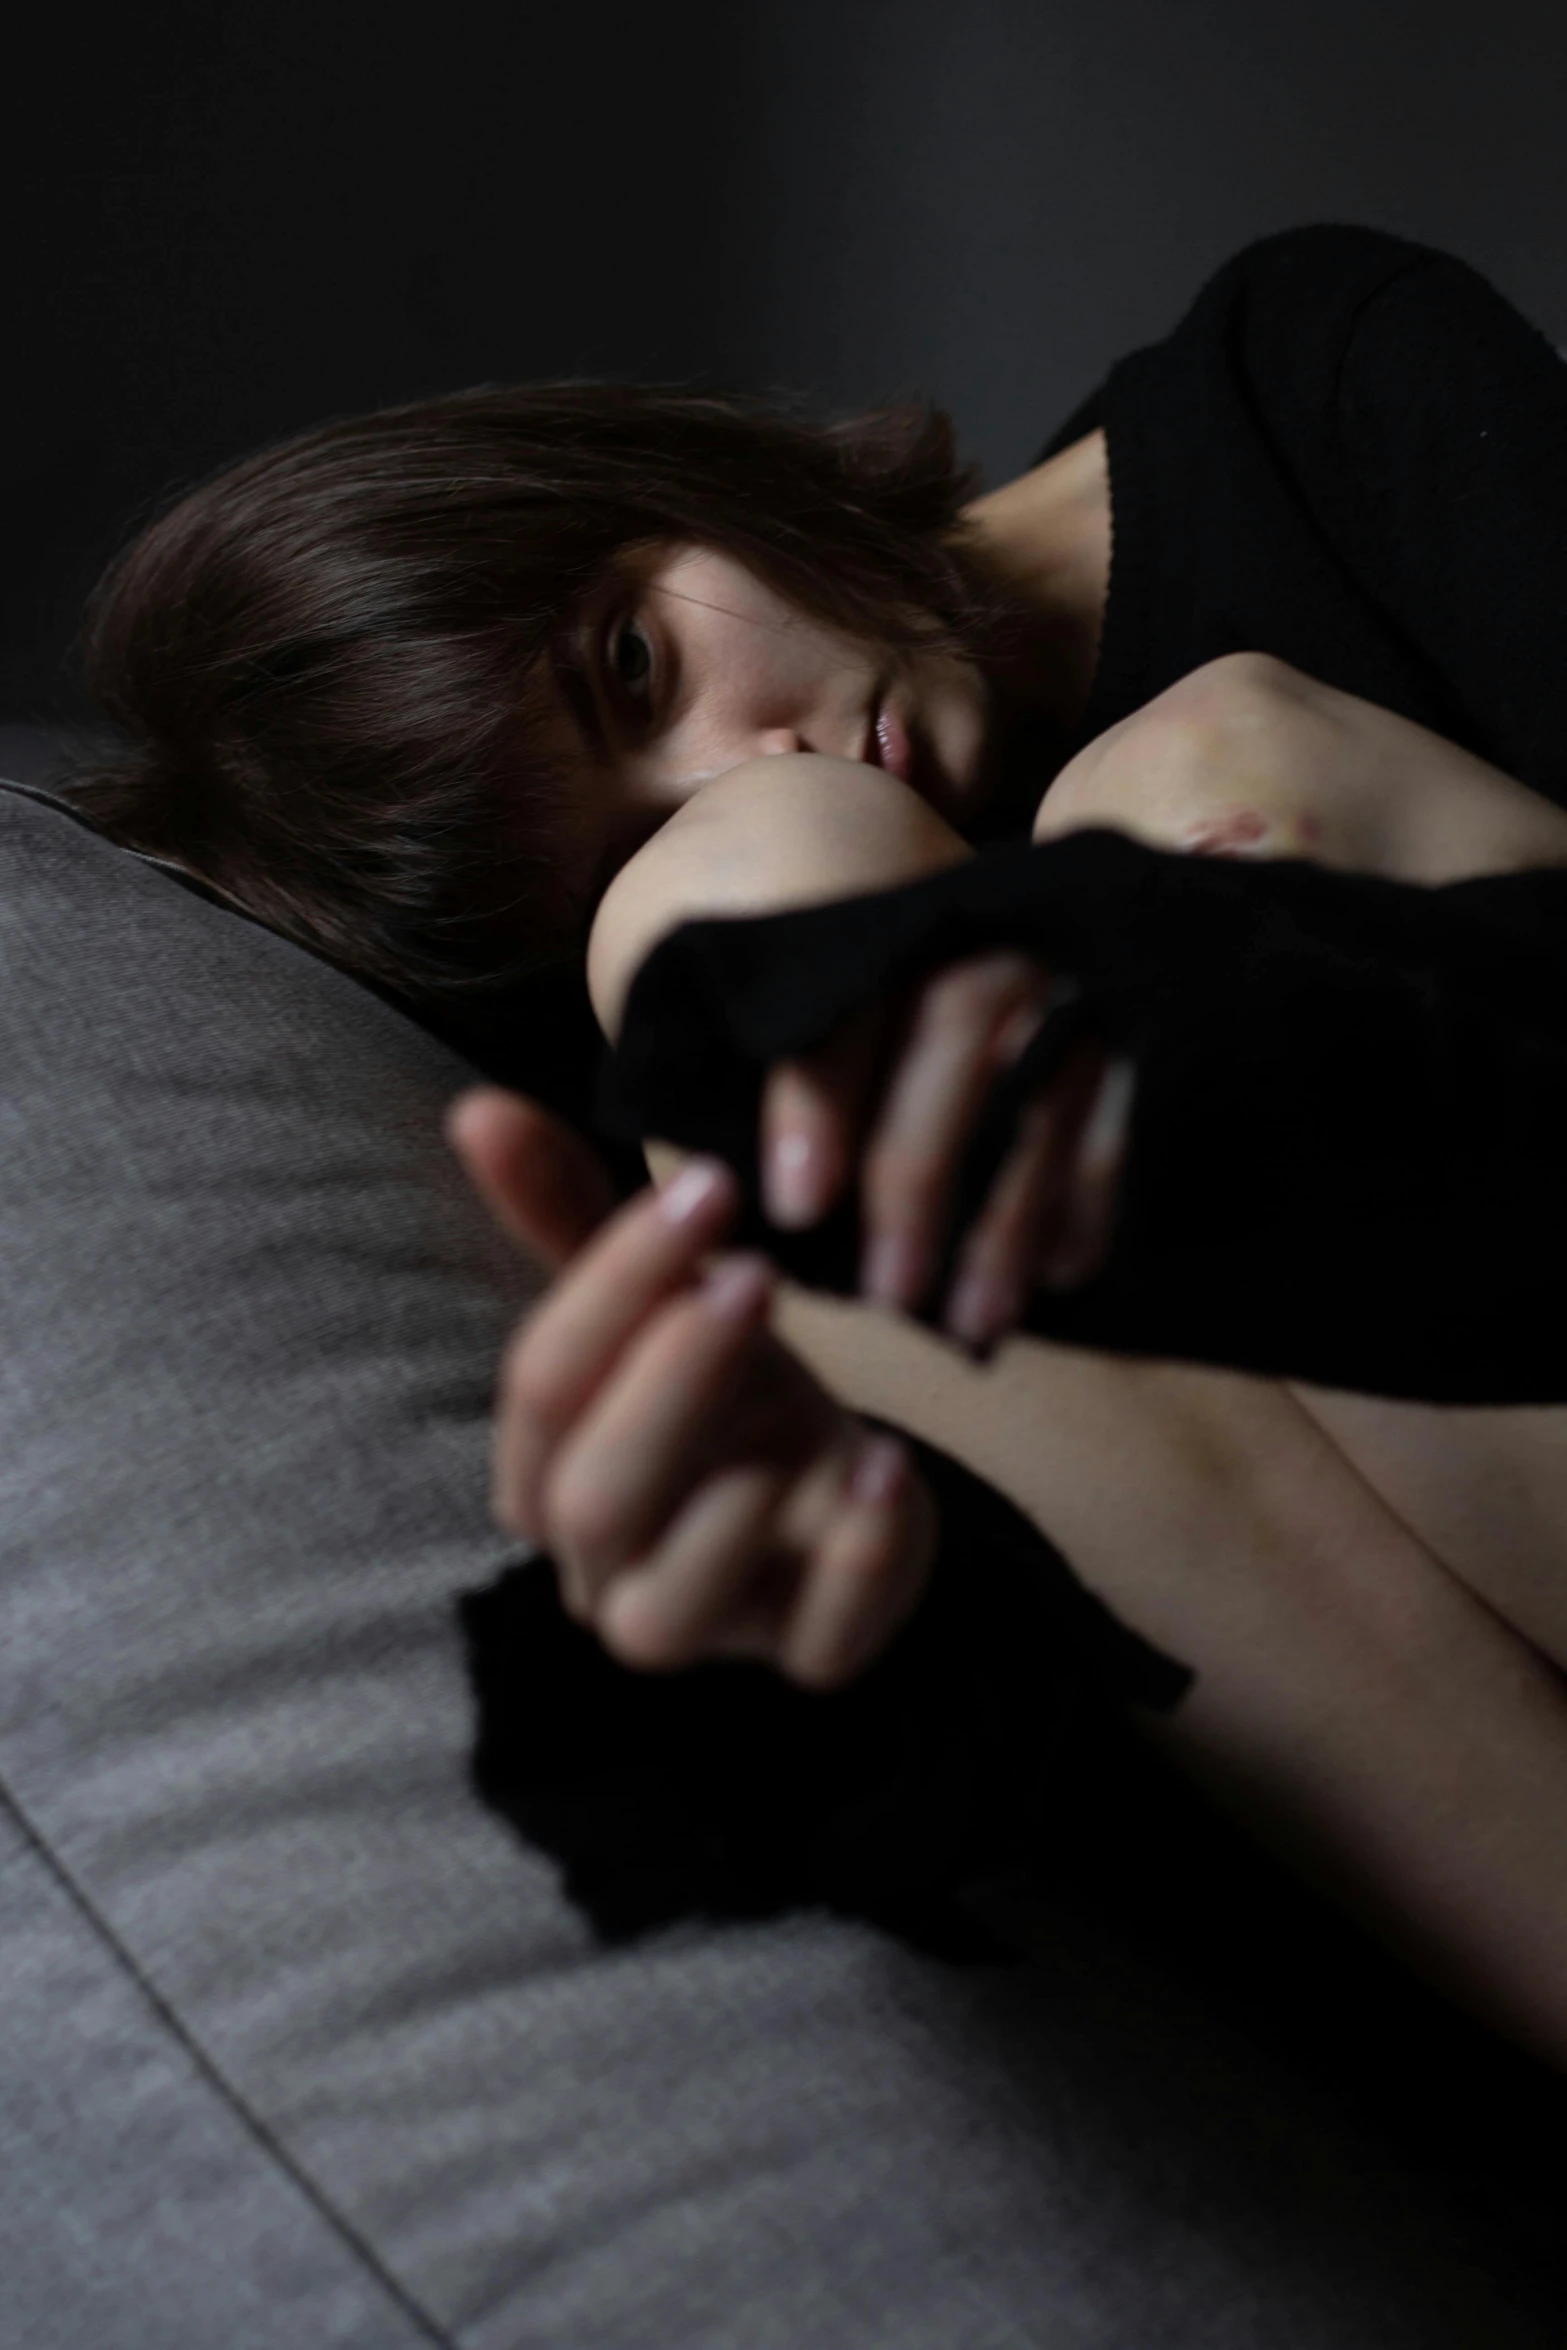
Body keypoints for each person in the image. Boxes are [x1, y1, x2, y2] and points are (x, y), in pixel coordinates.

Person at [64, 222, 1567, 2058]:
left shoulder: (1299, 385)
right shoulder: (756, 1019)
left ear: (623, 470)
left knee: (1183, 774)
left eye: (628, 664)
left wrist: (1231, 961)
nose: (757, 759)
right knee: (756, 934)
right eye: (613, 846)